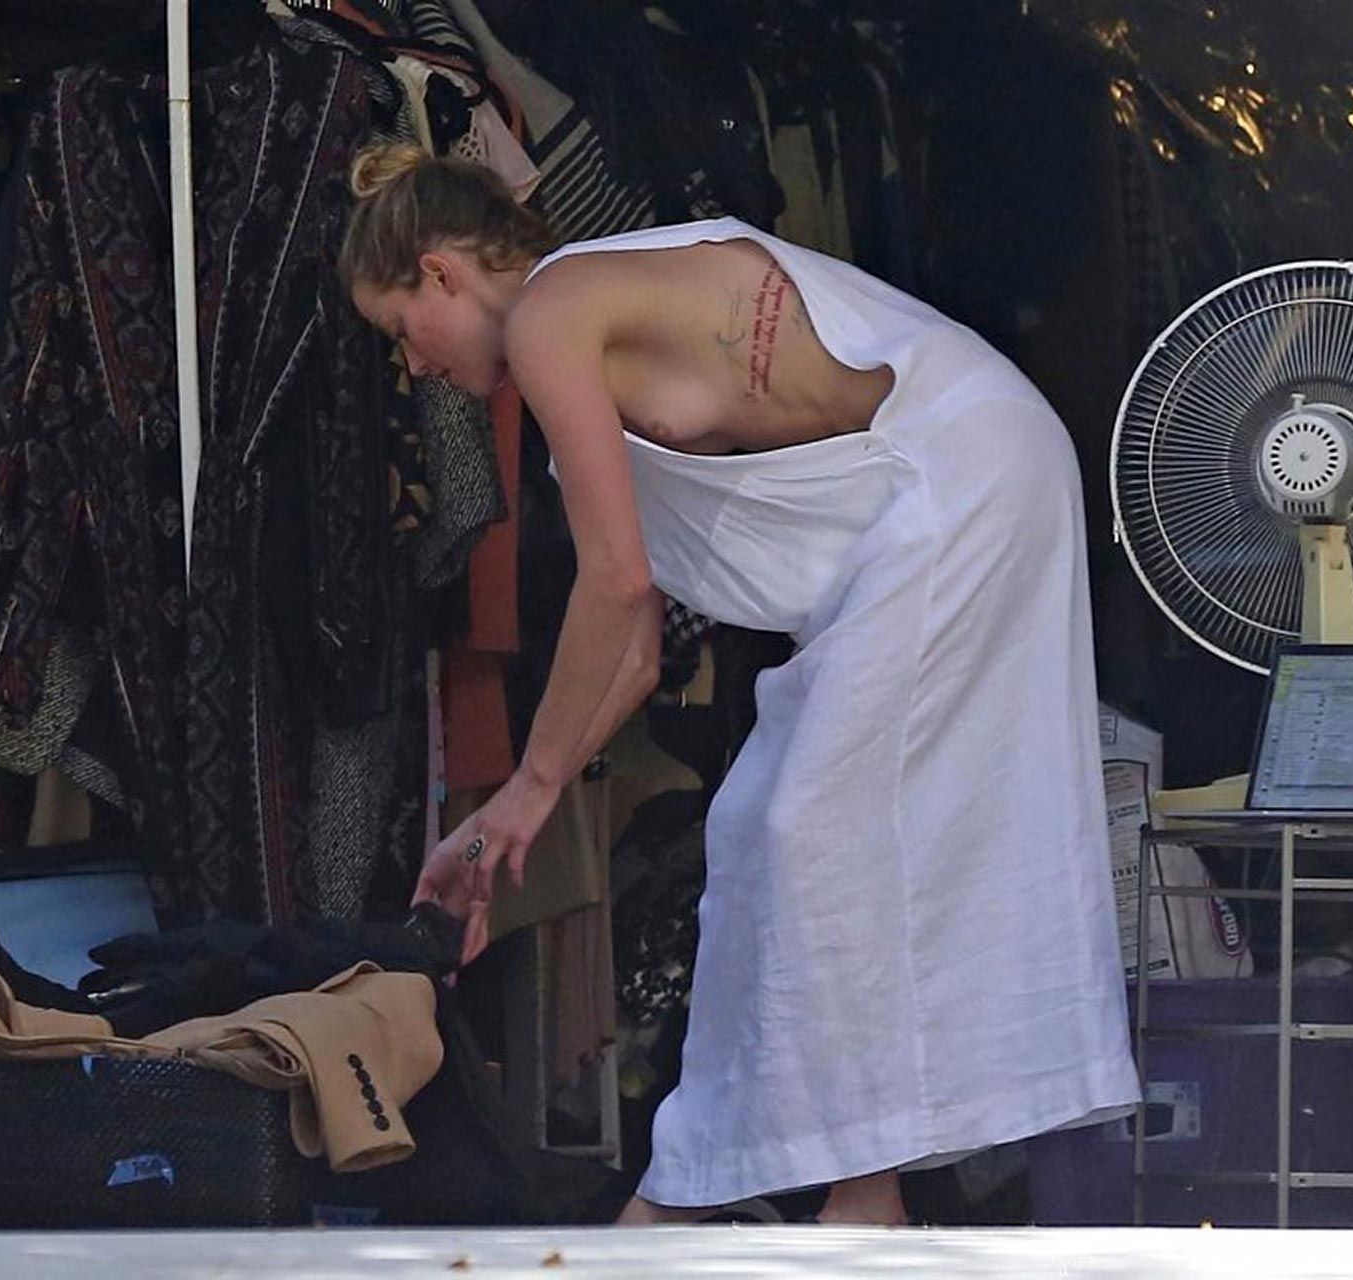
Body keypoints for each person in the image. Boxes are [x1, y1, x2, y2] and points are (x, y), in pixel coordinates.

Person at [340, 144, 1139, 1227]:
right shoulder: (575, 327)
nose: (415, 367)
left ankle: (722, 1200)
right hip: (947, 486)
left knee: (797, 824)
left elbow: (616, 583)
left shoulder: (550, 312)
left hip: (960, 476)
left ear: (439, 273)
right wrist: (512, 815)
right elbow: (636, 651)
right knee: (797, 829)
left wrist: (525, 786)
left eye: (400, 330)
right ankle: (838, 1193)